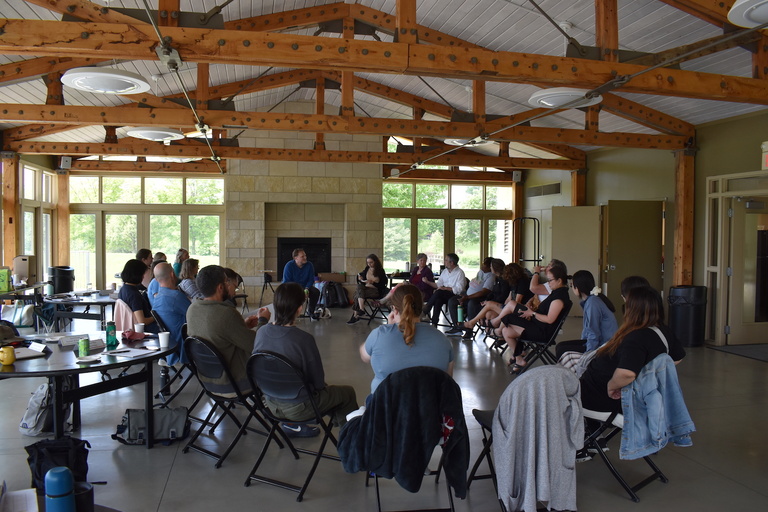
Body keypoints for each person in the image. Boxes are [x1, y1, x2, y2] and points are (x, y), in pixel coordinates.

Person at [254, 282, 358, 435]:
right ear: (299, 308)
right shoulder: (304, 339)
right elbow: (317, 382)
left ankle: (293, 426)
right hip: (300, 407)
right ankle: (351, 440)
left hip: (271, 404)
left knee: (329, 394)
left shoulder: (261, 332)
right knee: (347, 393)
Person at [579, 286, 685, 415]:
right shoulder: (664, 331)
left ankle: (588, 431)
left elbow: (627, 374)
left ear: (632, 309)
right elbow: (677, 358)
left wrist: (612, 386)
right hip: (633, 396)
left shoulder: (635, 338)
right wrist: (650, 372)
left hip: (601, 398)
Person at [186, 265, 270, 392]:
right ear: (220, 287)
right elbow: (257, 345)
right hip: (233, 382)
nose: (230, 285)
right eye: (227, 282)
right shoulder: (226, 313)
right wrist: (263, 321)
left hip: (206, 380)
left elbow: (218, 333)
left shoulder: (192, 309)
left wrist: (243, 325)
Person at [360, 283, 454, 397]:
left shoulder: (379, 335)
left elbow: (365, 355)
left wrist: (389, 328)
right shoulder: (443, 340)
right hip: (429, 410)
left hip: (385, 409)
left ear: (394, 309)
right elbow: (448, 380)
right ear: (421, 306)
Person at [492, 265, 571, 373]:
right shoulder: (556, 293)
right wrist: (533, 310)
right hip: (536, 325)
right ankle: (519, 359)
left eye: (550, 280)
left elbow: (549, 320)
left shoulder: (559, 298)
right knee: (507, 330)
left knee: (509, 317)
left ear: (559, 281)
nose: (548, 283)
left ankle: (497, 328)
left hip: (542, 332)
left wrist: (532, 313)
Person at [555, 270, 618, 360]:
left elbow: (593, 332)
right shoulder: (592, 300)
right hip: (600, 342)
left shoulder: (593, 303)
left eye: (572, 285)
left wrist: (588, 355)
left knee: (562, 350)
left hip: (604, 346)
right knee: (560, 346)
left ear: (578, 287)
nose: (572, 288)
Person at [462, 263, 532, 332]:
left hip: (519, 310)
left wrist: (504, 308)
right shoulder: (513, 282)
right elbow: (509, 298)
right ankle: (499, 336)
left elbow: (518, 301)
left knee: (489, 304)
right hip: (509, 308)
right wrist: (504, 306)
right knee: (489, 314)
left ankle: (471, 323)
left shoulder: (523, 282)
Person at [151, 262, 191, 365]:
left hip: (169, 343)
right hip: (184, 344)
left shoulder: (158, 297)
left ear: (156, 279)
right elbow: (194, 315)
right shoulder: (175, 297)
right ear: (173, 274)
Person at [446, 257, 496, 335]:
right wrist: (465, 294)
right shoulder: (481, 272)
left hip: (478, 298)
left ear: (490, 267)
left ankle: (469, 330)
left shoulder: (491, 277)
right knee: (452, 301)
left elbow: (484, 292)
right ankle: (457, 327)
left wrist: (467, 297)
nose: (482, 266)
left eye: (484, 265)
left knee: (471, 304)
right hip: (467, 295)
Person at [423, 253, 466, 328]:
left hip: (455, 295)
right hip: (443, 294)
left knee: (439, 292)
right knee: (438, 299)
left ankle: (426, 310)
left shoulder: (460, 273)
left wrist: (445, 288)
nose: (444, 262)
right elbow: (438, 285)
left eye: (446, 260)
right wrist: (428, 282)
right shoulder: (445, 271)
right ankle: (434, 323)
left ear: (451, 263)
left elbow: (459, 289)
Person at [118, 259, 158, 333]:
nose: (143, 277)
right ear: (137, 275)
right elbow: (142, 321)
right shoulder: (134, 295)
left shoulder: (123, 289)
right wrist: (156, 317)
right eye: (142, 274)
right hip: (147, 330)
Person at [347, 254, 388, 324]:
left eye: (371, 262)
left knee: (357, 294)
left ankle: (356, 315)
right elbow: (362, 276)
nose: (369, 264)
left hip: (376, 290)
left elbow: (383, 285)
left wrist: (373, 283)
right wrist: (361, 278)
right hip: (365, 289)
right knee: (359, 288)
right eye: (368, 263)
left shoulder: (380, 271)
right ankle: (361, 309)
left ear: (375, 261)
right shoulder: (367, 269)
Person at [282, 248, 321, 320]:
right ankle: (290, 314)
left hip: (305, 287)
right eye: (302, 256)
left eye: (305, 256)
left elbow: (311, 279)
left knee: (316, 292)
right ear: (295, 258)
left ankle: (310, 312)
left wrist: (306, 289)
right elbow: (287, 282)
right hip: (292, 288)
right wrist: (299, 291)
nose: (305, 258)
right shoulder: (289, 265)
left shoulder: (309, 265)